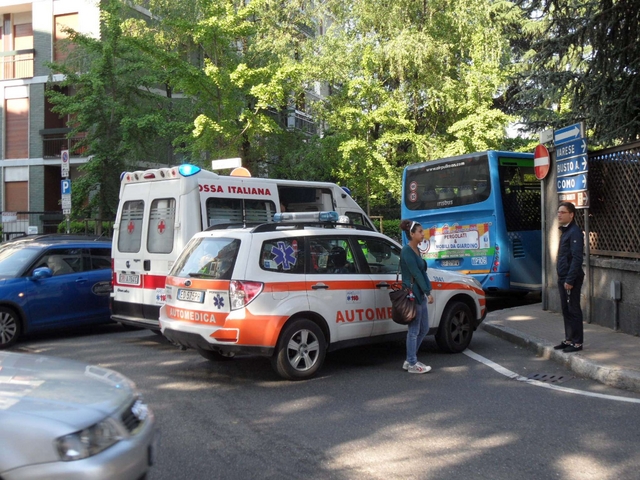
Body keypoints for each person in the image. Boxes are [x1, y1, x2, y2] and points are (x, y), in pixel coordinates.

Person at [399, 220, 434, 374]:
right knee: (414, 330)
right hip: (413, 294)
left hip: (419, 293)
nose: (422, 233)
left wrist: (427, 290)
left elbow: (422, 271)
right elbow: (416, 273)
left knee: (424, 328)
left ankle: (410, 359)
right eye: (420, 231)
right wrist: (428, 292)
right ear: (412, 234)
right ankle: (412, 362)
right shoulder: (407, 251)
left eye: (422, 231)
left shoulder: (417, 250)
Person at [554, 202, 585, 353]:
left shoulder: (575, 232)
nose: (559, 214)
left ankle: (577, 342)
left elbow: (577, 258)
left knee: (573, 309)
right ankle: (569, 339)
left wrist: (570, 280)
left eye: (562, 212)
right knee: (566, 309)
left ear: (571, 215)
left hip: (571, 278)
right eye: (558, 212)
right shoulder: (566, 231)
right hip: (563, 277)